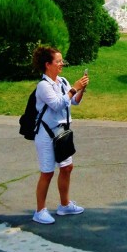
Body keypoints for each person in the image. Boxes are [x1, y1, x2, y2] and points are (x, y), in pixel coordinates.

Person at [31, 45, 89, 225]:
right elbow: (57, 104)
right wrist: (74, 88)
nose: (61, 64)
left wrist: (81, 90)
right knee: (47, 172)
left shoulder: (62, 81)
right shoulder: (43, 86)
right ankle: (40, 211)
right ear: (48, 64)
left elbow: (73, 102)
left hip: (62, 133)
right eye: (58, 61)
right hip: (46, 135)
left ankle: (64, 205)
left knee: (67, 168)